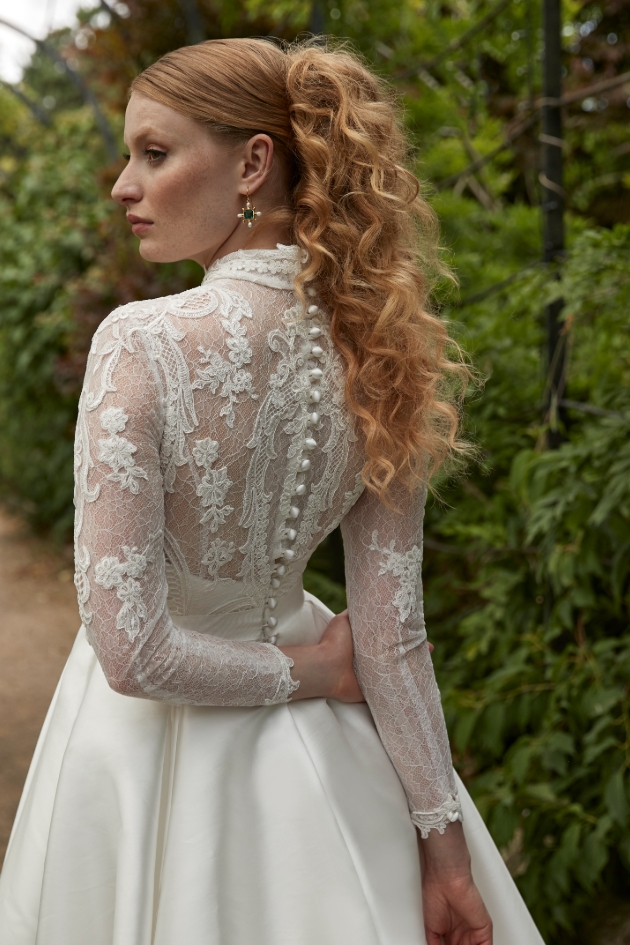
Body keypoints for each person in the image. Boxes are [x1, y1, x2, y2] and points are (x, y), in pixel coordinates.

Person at [0, 37, 544, 945]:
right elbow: (395, 635)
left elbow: (130, 652)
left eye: (154, 152)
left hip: (144, 760)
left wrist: (313, 672)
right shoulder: (379, 351)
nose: (122, 186)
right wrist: (445, 857)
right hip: (326, 764)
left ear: (254, 162)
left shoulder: (139, 341)